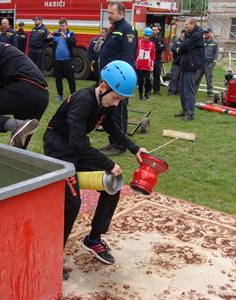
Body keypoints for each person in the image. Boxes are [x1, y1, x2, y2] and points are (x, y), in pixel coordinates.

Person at [43, 60, 147, 281]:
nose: (117, 104)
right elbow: (77, 141)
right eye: (116, 98)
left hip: (76, 148)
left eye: (121, 99)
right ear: (103, 85)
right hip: (59, 150)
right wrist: (109, 163)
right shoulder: (83, 100)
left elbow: (113, 129)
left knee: (113, 185)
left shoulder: (106, 103)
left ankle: (93, 238)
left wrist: (135, 149)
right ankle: (51, 256)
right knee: (72, 203)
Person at [98, 1, 137, 156]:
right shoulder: (114, 29)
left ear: (121, 13)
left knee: (119, 111)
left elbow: (127, 58)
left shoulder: (127, 30)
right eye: (107, 12)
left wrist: (119, 81)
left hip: (118, 79)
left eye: (111, 13)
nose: (108, 15)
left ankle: (120, 145)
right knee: (109, 111)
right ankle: (112, 141)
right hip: (108, 77)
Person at [174, 18, 204, 121]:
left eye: (186, 24)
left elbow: (185, 46)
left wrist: (179, 47)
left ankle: (190, 114)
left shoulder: (197, 35)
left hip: (191, 66)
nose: (185, 26)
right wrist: (179, 48)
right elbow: (183, 47)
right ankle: (184, 110)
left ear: (192, 24)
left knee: (189, 91)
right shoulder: (189, 33)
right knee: (182, 90)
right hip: (185, 64)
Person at [47, 18, 76, 102]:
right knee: (58, 78)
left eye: (63, 26)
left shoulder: (70, 34)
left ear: (67, 25)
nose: (61, 28)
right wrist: (48, 38)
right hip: (57, 61)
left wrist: (66, 37)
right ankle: (60, 95)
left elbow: (73, 43)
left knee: (70, 78)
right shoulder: (56, 33)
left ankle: (73, 95)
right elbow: (46, 41)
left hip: (67, 60)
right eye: (60, 26)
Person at [195, 27, 218, 102]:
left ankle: (210, 92)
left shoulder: (214, 43)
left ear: (210, 33)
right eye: (204, 33)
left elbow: (216, 53)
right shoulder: (201, 42)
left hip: (209, 63)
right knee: (197, 77)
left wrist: (213, 62)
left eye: (207, 33)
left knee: (209, 78)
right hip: (201, 63)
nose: (205, 34)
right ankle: (194, 91)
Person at [136, 27, 155, 100]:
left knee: (148, 82)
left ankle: (146, 94)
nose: (146, 36)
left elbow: (153, 56)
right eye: (145, 35)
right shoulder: (138, 43)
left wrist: (152, 66)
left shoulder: (152, 44)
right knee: (140, 82)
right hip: (139, 66)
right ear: (143, 34)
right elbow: (136, 54)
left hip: (147, 66)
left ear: (150, 36)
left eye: (148, 35)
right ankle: (141, 96)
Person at [168, 29, 186, 95]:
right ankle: (171, 90)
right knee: (174, 76)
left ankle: (178, 90)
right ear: (181, 34)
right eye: (183, 33)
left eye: (185, 33)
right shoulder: (177, 41)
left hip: (183, 62)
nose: (183, 35)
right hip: (176, 62)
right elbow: (172, 48)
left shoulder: (187, 41)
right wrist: (178, 50)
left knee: (181, 77)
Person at [150, 26, 165, 96]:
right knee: (148, 75)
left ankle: (156, 90)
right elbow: (153, 48)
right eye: (153, 30)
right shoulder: (149, 39)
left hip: (158, 59)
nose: (154, 31)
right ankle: (148, 89)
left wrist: (157, 47)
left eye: (155, 30)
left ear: (158, 31)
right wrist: (158, 47)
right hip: (150, 59)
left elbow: (163, 47)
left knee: (157, 75)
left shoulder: (160, 39)